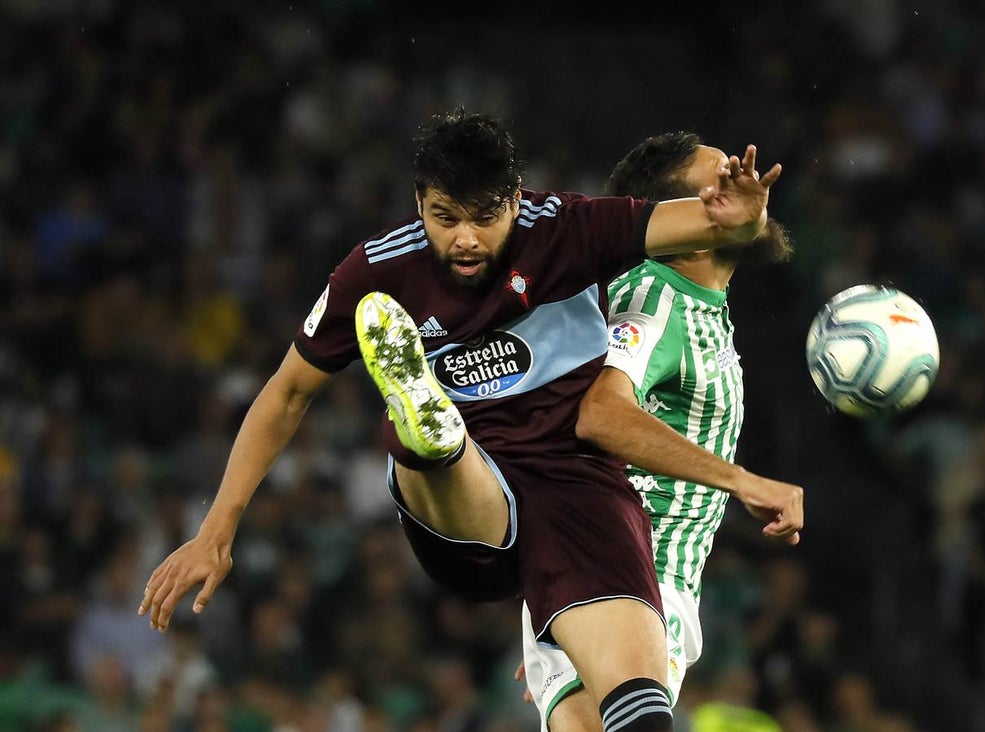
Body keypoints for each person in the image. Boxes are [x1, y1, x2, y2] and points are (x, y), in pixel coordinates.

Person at [137, 109, 803, 732]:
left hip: (579, 499)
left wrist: (742, 218)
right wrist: (215, 530)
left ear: (517, 197)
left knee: (638, 711)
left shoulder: (571, 229)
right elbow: (284, 395)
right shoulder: (376, 271)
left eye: (484, 216)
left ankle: (437, 432)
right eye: (443, 216)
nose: (463, 237)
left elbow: (716, 229)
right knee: (444, 454)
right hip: (472, 504)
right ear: (418, 205)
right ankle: (431, 429)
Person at [515, 132, 801, 730]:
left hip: (612, 581)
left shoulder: (699, 304)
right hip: (626, 573)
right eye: (724, 177)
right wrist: (741, 481)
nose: (747, 182)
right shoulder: (654, 297)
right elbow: (600, 413)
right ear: (685, 214)